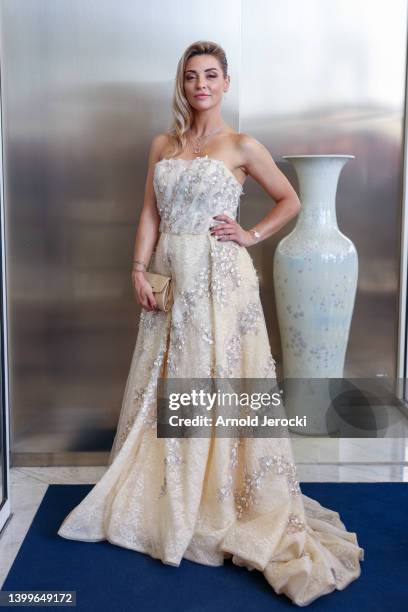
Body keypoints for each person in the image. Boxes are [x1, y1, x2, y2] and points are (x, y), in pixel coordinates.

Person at [58, 40, 364, 607]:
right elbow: (149, 211)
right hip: (172, 276)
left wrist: (250, 235)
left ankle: (215, 497)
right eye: (192, 76)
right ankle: (171, 491)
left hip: (221, 281)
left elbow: (289, 199)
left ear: (226, 83)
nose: (201, 84)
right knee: (163, 380)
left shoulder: (242, 143)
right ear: (183, 84)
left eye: (212, 75)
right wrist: (138, 268)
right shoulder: (164, 143)